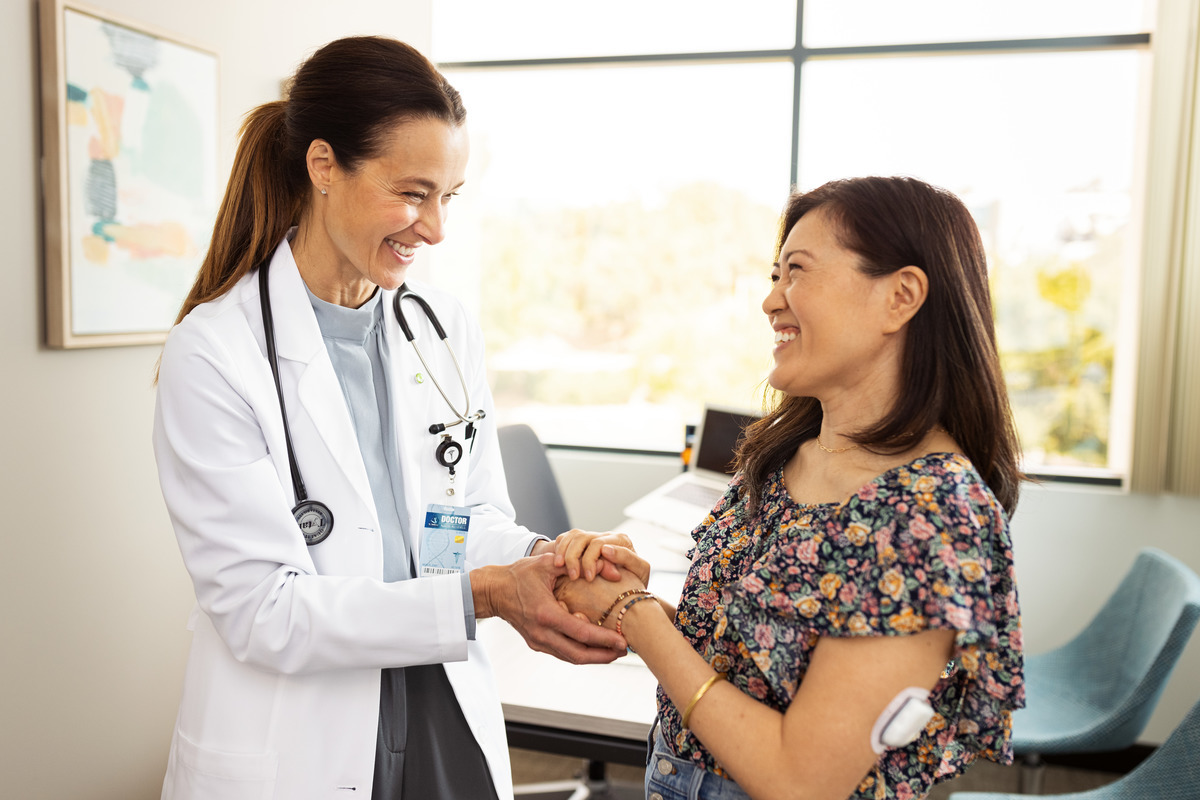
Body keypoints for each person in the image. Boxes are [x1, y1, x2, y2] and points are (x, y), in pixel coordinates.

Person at [152, 36, 625, 800]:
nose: (434, 228)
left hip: (440, 705)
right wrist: (487, 595)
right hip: (300, 740)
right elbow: (265, 612)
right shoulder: (214, 353)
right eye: (412, 193)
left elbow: (459, 522)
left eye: (449, 196)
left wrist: (546, 560)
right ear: (323, 166)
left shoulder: (442, 328)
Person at [554, 176, 1025, 800]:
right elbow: (742, 661)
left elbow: (800, 779)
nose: (770, 300)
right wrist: (626, 594)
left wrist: (634, 616)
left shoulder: (929, 513)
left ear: (901, 297)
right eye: (774, 275)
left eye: (796, 271)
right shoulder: (789, 455)